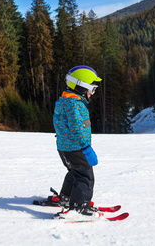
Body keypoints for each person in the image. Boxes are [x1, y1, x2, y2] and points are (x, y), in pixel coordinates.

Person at [53, 65, 103, 220]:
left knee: (74, 173)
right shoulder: (75, 105)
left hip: (64, 147)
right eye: (92, 89)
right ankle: (79, 207)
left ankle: (66, 198)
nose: (92, 93)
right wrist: (86, 147)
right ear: (82, 87)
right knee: (84, 177)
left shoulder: (64, 101)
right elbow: (77, 129)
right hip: (76, 148)